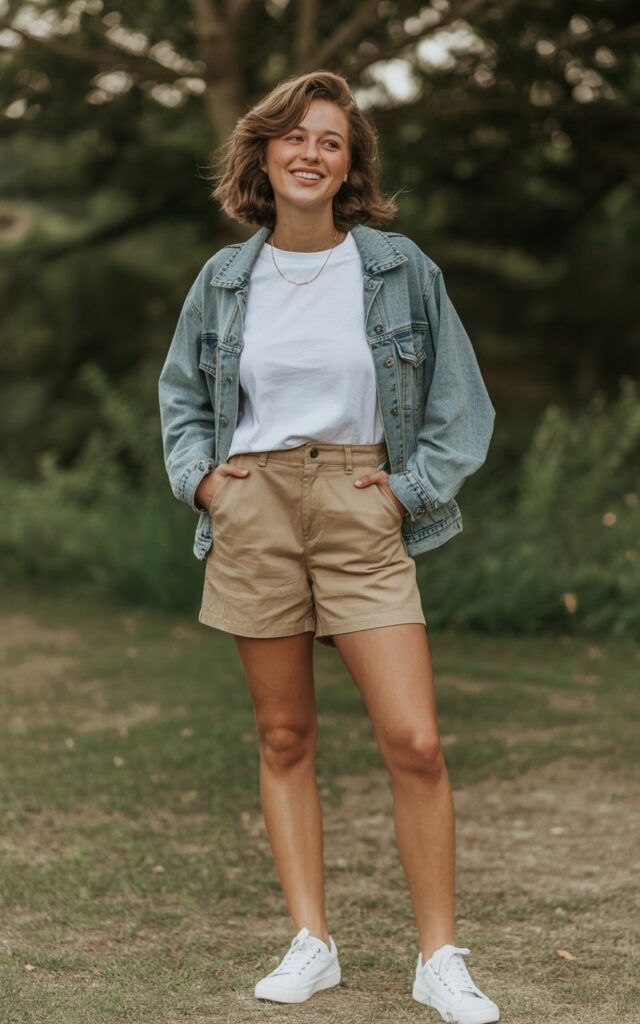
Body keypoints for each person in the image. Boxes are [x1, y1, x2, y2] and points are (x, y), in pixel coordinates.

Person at [158, 70, 499, 1024]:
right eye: (294, 137)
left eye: (331, 142)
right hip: (255, 506)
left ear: (349, 166)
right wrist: (203, 478)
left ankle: (439, 957)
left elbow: (460, 401)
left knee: (416, 742)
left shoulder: (396, 268)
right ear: (263, 154)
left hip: (360, 504)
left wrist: (414, 488)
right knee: (283, 736)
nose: (311, 154)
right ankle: (313, 942)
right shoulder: (225, 280)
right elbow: (183, 397)